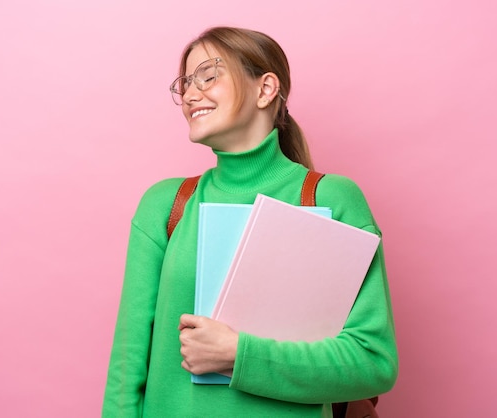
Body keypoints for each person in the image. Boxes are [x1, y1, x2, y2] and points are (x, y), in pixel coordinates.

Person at [102, 26, 398, 418]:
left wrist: (237, 355)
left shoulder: (330, 199)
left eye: (208, 75)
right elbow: (127, 370)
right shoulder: (165, 205)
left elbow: (373, 362)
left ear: (265, 89)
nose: (190, 95)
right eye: (185, 84)